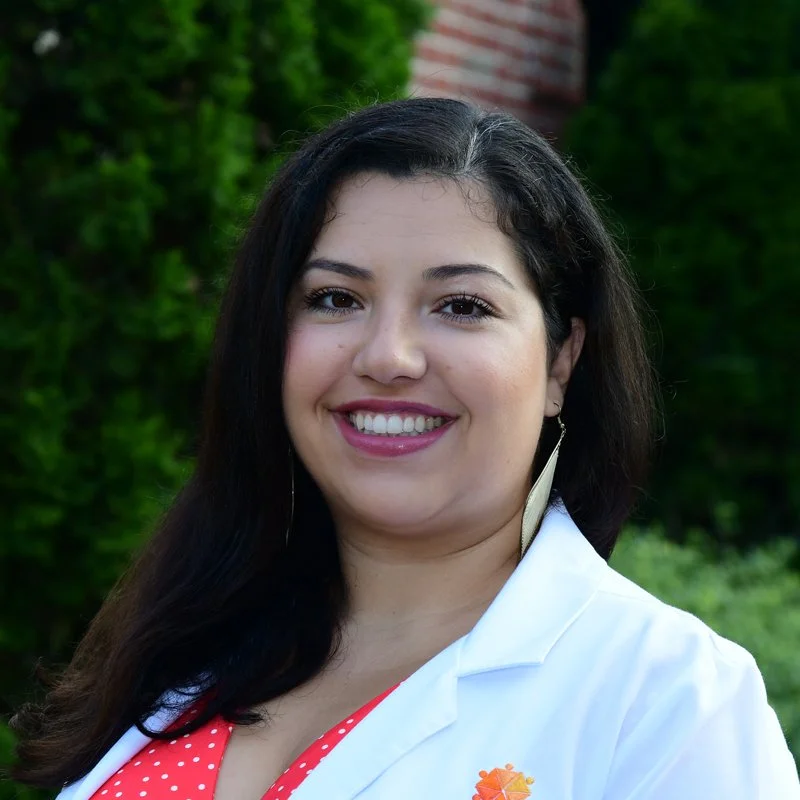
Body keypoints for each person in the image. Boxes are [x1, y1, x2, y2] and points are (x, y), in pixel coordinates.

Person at [10, 98, 799, 800]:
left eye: (460, 305)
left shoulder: (664, 699)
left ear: (562, 360)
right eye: (335, 299)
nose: (388, 355)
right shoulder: (184, 649)